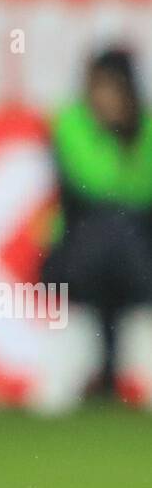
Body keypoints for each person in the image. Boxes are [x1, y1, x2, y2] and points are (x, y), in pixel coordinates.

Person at [42, 49, 152, 397]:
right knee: (110, 226)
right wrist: (121, 141)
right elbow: (97, 183)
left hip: (135, 261)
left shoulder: (146, 128)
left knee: (123, 231)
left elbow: (141, 189)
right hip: (78, 260)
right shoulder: (70, 123)